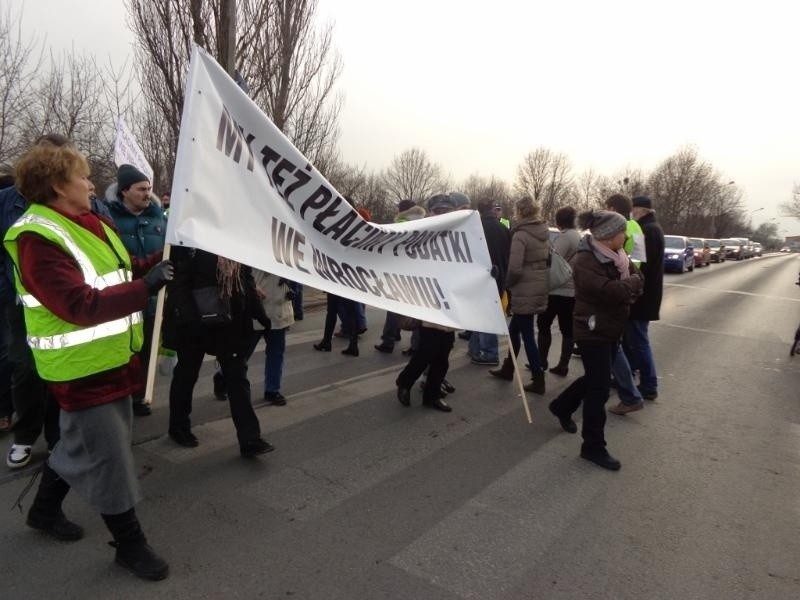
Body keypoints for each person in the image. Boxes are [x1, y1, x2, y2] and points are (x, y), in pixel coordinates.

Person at [6, 139, 173, 579]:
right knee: (111, 457)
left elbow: (122, 270)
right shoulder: (36, 237)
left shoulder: (88, 221)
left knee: (78, 444)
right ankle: (130, 545)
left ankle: (42, 512)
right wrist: (147, 288)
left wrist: (159, 262)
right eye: (81, 176)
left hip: (112, 360)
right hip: (81, 371)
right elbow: (76, 303)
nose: (89, 182)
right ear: (60, 186)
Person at [548, 210, 643, 471]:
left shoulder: (619, 257)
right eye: (622, 231)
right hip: (592, 330)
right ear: (609, 235)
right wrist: (630, 288)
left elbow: (637, 281)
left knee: (594, 379)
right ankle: (592, 446)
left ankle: (561, 406)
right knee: (599, 389)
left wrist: (629, 288)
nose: (626, 235)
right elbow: (608, 291)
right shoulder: (586, 259)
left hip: (612, 328)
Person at [163, 246, 274, 456]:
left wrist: (260, 315)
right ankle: (178, 427)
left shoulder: (232, 239)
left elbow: (245, 280)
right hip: (194, 324)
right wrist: (191, 320)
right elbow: (178, 284)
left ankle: (250, 439)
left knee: (237, 378)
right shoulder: (190, 239)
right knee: (186, 376)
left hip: (229, 323)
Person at [0, 137, 66, 469]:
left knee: (58, 367)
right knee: (25, 370)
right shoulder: (5, 202)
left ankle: (57, 437)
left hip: (62, 303)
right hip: (20, 304)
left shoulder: (71, 201)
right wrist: (10, 288)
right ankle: (24, 436)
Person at [108, 165, 167, 417]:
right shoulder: (108, 218)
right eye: (141, 189)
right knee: (123, 352)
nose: (147, 193)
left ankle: (139, 395)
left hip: (154, 300)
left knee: (146, 350)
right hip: (122, 300)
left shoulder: (159, 218)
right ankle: (119, 394)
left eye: (148, 189)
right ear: (124, 191)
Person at [395, 193, 459, 412]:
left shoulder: (458, 236)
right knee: (427, 352)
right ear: (431, 213)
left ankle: (431, 395)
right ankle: (405, 381)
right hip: (429, 301)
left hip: (451, 303)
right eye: (438, 211)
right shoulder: (421, 235)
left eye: (446, 211)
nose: (442, 214)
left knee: (443, 355)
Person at [489, 196, 549, 394]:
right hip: (537, 286)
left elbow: (514, 268)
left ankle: (538, 379)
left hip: (524, 289)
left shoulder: (521, 234)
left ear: (520, 212)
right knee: (514, 331)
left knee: (527, 336)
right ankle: (508, 368)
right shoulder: (542, 231)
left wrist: (507, 285)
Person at [603, 194, 646, 415]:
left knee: (611, 344)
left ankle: (629, 394)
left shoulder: (617, 226)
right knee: (615, 344)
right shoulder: (637, 227)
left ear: (613, 208)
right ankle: (628, 390)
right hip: (628, 287)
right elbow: (639, 261)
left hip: (615, 289)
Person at [626, 196, 665, 401]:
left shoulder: (646, 231)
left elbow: (639, 264)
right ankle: (629, 374)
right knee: (634, 338)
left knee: (639, 340)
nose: (632, 214)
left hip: (642, 295)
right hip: (648, 293)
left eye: (633, 210)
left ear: (641, 209)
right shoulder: (653, 228)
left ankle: (649, 384)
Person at [374, 199, 426, 353]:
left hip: (399, 273)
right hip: (419, 274)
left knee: (393, 307)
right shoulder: (425, 223)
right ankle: (415, 346)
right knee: (417, 311)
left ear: (402, 210)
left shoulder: (400, 223)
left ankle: (389, 340)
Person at [537, 206, 580, 377]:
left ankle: (541, 361)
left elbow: (552, 259)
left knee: (543, 324)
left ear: (559, 221)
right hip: (572, 290)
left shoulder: (565, 237)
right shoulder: (577, 236)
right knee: (567, 328)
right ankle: (563, 364)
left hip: (557, 289)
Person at [468, 197, 511, 366]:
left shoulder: (476, 228)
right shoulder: (503, 228)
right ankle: (476, 347)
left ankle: (489, 352)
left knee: (482, 314)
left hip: (479, 276)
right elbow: (508, 253)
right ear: (492, 209)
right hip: (499, 275)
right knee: (485, 313)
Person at [246, 270, 294, 405]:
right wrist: (252, 287)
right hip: (256, 309)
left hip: (279, 310)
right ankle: (222, 376)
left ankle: (272, 390)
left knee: (276, 354)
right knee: (243, 354)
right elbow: (241, 272)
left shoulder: (287, 250)